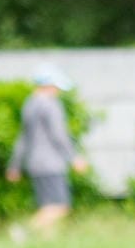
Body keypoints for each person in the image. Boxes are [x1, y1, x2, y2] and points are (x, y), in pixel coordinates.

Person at [6, 64, 89, 236]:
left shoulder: (29, 105)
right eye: (57, 87)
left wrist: (14, 165)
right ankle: (24, 232)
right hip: (52, 163)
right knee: (60, 206)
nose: (58, 91)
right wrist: (74, 157)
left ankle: (46, 241)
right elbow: (59, 135)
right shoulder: (51, 105)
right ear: (49, 86)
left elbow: (23, 138)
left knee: (47, 206)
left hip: (34, 163)